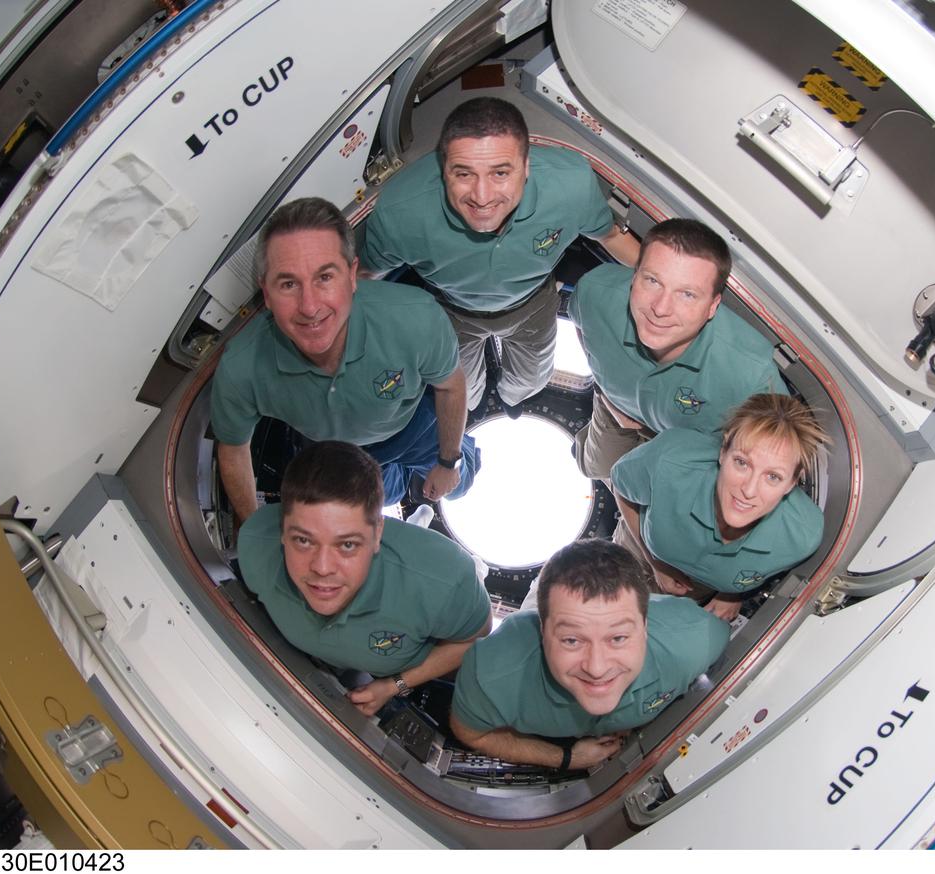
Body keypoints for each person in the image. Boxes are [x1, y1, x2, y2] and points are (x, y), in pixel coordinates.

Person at [360, 96, 641, 412]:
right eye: (463, 174)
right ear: (443, 169)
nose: (482, 197)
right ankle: (476, 404)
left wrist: (669, 283)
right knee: (462, 390)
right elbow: (366, 277)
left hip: (533, 304)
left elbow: (611, 235)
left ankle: (513, 399)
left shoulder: (569, 186)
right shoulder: (401, 212)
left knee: (531, 378)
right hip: (452, 313)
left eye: (500, 173)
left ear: (527, 166)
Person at [211, 197, 478, 523]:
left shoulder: (415, 319)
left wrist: (449, 462)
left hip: (412, 427)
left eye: (325, 277)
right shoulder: (242, 369)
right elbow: (233, 447)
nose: (310, 307)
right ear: (266, 293)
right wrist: (253, 528)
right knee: (379, 496)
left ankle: (437, 468)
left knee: (460, 483)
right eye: (288, 284)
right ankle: (404, 486)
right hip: (341, 449)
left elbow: (451, 386)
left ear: (352, 276)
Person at [237, 441, 491, 716]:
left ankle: (436, 532)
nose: (322, 568)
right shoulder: (256, 546)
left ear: (377, 532)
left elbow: (472, 638)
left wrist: (395, 685)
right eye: (303, 540)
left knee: (476, 570)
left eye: (347, 544)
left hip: (419, 566)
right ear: (283, 531)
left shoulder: (447, 583)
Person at [450, 539, 729, 769]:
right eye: (572, 640)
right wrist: (566, 758)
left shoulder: (696, 639)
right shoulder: (490, 676)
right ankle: (539, 584)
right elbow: (470, 732)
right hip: (527, 628)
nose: (596, 668)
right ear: (543, 633)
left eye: (618, 638)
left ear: (645, 628)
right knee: (539, 598)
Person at [568, 218, 789, 480]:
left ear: (713, 306)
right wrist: (606, 394)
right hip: (614, 408)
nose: (661, 308)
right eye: (653, 281)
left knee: (642, 495)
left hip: (686, 449)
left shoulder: (752, 376)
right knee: (595, 468)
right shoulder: (595, 292)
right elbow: (582, 324)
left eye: (687, 294)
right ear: (634, 276)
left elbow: (780, 454)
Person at [611, 393, 829, 622]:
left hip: (695, 591)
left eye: (773, 476)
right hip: (636, 550)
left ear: (792, 483)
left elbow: (758, 573)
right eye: (742, 463)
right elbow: (621, 488)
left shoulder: (801, 538)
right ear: (723, 451)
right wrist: (655, 563)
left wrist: (732, 593)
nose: (749, 490)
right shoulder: (669, 461)